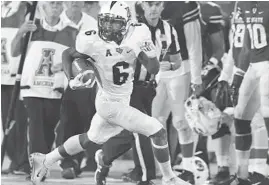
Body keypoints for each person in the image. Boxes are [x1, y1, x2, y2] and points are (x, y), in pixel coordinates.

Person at [29, 2, 191, 185]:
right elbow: (68, 54)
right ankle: (170, 178)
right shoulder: (91, 38)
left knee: (90, 138)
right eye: (105, 22)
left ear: (127, 23)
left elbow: (153, 68)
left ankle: (45, 159)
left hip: (122, 99)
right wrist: (72, 77)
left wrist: (146, 48)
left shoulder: (137, 34)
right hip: (109, 103)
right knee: (158, 131)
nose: (107, 28)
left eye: (114, 23)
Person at [94, 2, 181, 185]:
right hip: (128, 87)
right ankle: (146, 178)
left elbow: (177, 61)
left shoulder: (168, 29)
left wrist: (169, 65)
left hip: (149, 88)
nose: (153, 8)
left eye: (157, 4)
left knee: (129, 133)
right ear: (142, 5)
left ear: (163, 6)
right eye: (149, 4)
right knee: (143, 131)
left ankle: (105, 156)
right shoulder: (132, 27)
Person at [11, 1, 77, 180]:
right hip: (32, 89)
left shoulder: (71, 32)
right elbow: (15, 51)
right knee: (35, 130)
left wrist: (64, 65)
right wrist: (21, 32)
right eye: (51, 3)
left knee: (49, 131)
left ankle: (43, 165)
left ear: (63, 7)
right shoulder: (32, 28)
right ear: (42, 8)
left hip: (55, 90)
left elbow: (77, 64)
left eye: (58, 3)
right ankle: (36, 170)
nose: (55, 6)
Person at [217, 2, 269, 185]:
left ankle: (265, 171)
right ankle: (243, 175)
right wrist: (235, 76)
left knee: (267, 115)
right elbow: (243, 43)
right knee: (240, 117)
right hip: (253, 64)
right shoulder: (242, 3)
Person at [160, 2, 203, 184]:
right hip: (155, 69)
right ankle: (163, 172)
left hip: (181, 68)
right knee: (155, 123)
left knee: (180, 122)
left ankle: (187, 168)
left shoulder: (185, 5)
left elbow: (194, 44)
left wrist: (196, 78)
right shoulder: (141, 5)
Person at [55, 1, 99, 179]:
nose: (74, 2)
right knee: (63, 124)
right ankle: (65, 161)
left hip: (84, 81)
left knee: (82, 122)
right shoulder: (55, 21)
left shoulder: (93, 24)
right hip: (54, 82)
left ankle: (75, 162)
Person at [1, 1, 30, 175]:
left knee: (20, 121)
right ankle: (15, 160)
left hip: (16, 75)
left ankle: (23, 161)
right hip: (2, 75)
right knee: (6, 122)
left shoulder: (25, 6)